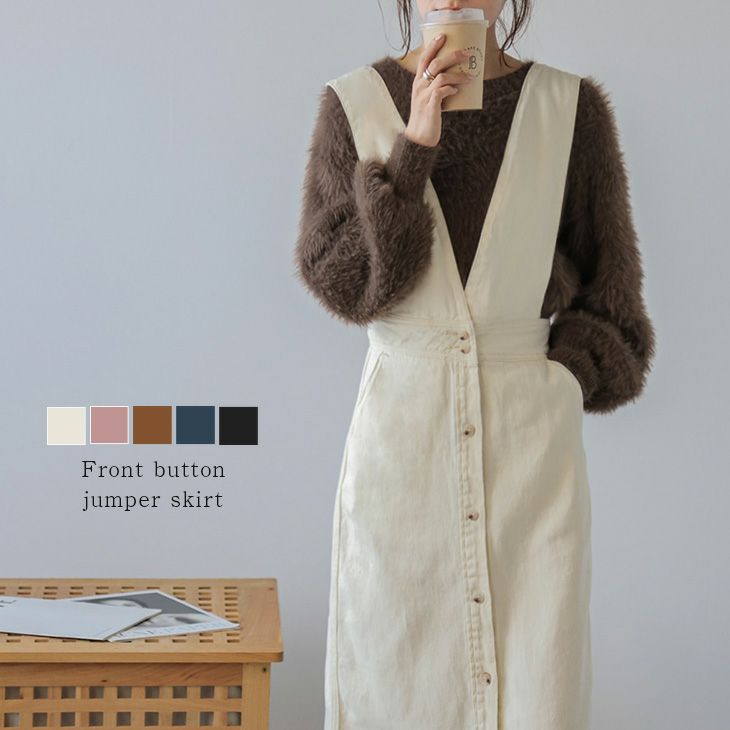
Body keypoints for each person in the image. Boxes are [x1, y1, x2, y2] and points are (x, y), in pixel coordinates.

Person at [294, 2, 656, 729]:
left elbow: (613, 297)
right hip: (402, 454)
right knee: (396, 682)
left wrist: (558, 383)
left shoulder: (569, 109)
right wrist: (411, 152)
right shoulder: (354, 104)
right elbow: (344, 284)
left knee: (537, 686)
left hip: (533, 464)